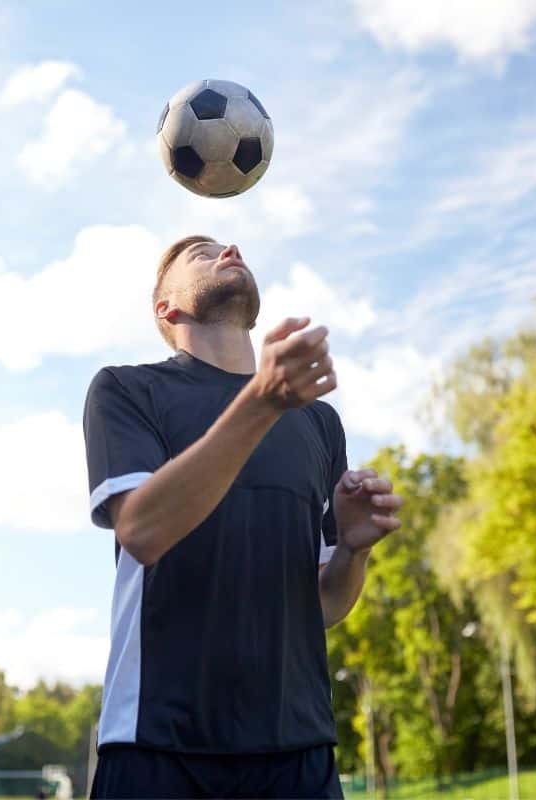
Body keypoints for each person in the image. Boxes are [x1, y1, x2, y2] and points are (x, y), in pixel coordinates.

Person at [83, 235, 403, 799]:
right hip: (158, 745)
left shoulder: (318, 422)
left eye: (228, 247)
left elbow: (324, 604)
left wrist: (354, 549)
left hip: (298, 750)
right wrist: (262, 402)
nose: (228, 248)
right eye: (200, 255)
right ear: (166, 307)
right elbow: (142, 529)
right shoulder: (127, 390)